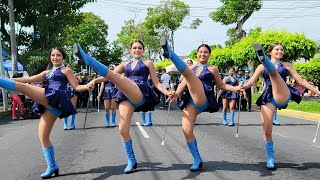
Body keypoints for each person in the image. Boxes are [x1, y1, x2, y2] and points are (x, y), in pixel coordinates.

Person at [73, 40, 169, 173]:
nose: (137, 50)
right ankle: (131, 160)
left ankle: (89, 60)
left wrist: (167, 92)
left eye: (140, 48)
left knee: (119, 79)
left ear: (143, 50)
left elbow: (157, 83)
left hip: (139, 92)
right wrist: (94, 80)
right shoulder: (125, 64)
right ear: (130, 51)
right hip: (125, 95)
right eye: (134, 48)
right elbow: (108, 76)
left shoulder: (148, 63)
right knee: (123, 130)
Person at [0, 47, 89, 178]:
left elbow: (76, 86)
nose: (55, 57)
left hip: (55, 97)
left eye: (58, 55)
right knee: (42, 136)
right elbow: (27, 80)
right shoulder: (47, 72)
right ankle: (52, 166)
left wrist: (87, 86)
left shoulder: (66, 71)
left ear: (63, 57)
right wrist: (7, 78)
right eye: (53, 55)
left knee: (24, 89)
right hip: (49, 105)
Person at [161, 37, 240, 171]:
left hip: (203, 97)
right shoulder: (191, 67)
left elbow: (221, 85)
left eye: (206, 52)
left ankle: (170, 53)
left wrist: (235, 88)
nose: (203, 54)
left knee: (190, 76)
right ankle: (197, 159)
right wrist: (176, 94)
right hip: (190, 101)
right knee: (186, 131)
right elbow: (183, 84)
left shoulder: (213, 68)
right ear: (196, 54)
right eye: (200, 52)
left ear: (209, 54)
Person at [242, 42, 320, 170]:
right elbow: (251, 82)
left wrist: (318, 92)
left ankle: (269, 65)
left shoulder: (287, 65)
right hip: (268, 97)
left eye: (282, 50)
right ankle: (270, 158)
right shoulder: (260, 67)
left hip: (282, 93)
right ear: (270, 52)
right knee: (267, 130)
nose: (280, 51)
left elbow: (301, 81)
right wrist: (243, 86)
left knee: (274, 75)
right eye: (277, 49)